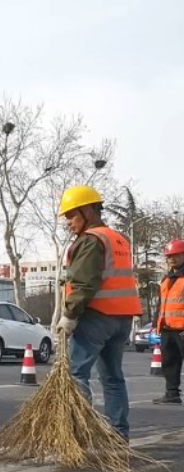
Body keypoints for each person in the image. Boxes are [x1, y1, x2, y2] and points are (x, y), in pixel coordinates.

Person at [56, 184, 143, 442]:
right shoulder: (118, 239)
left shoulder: (90, 240)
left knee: (76, 374)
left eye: (72, 215)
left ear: (88, 211)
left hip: (96, 316)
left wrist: (69, 315)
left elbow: (85, 283)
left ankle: (79, 436)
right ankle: (118, 436)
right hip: (122, 319)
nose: (69, 223)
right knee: (113, 378)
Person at [151, 239, 184, 404]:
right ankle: (172, 394)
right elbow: (161, 304)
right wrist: (155, 324)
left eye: (176, 255)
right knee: (169, 362)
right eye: (169, 256)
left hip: (182, 328)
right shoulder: (166, 279)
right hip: (167, 328)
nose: (172, 259)